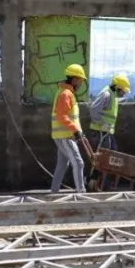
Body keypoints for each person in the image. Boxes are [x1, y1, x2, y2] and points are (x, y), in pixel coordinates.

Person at [86, 74, 130, 191]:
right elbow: (94, 110)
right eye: (123, 91)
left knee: (110, 157)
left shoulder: (112, 95)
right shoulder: (106, 94)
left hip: (106, 132)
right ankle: (98, 184)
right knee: (103, 160)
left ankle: (99, 182)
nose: (124, 93)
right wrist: (102, 123)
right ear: (117, 87)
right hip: (100, 132)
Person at [50, 63, 90, 193]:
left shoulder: (65, 92)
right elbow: (62, 116)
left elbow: (69, 116)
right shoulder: (66, 94)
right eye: (80, 81)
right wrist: (75, 130)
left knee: (62, 164)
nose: (81, 84)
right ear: (74, 80)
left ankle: (54, 192)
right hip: (65, 135)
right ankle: (81, 193)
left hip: (65, 135)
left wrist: (78, 131)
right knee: (78, 163)